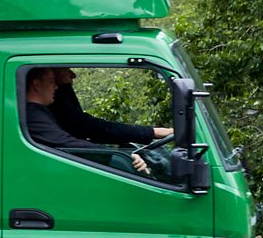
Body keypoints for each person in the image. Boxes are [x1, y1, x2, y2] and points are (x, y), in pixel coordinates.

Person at [22, 67, 172, 175]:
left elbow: (80, 125)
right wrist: (119, 155)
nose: (57, 86)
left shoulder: (43, 111)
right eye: (51, 81)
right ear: (36, 85)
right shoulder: (33, 116)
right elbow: (67, 142)